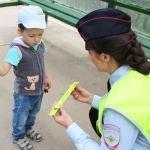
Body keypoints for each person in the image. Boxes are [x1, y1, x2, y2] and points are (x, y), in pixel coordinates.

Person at [52, 8, 150, 150]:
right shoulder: (143, 66)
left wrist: (69, 125)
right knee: (95, 112)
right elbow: (135, 105)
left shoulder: (116, 111)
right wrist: (91, 99)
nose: (89, 56)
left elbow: (121, 107)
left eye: (89, 52)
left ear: (105, 57)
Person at [0, 5, 51, 150]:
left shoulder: (40, 44)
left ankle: (28, 129)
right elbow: (3, 70)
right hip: (23, 93)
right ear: (20, 31)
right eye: (32, 35)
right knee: (20, 116)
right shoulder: (16, 50)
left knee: (34, 112)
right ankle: (18, 136)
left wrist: (46, 77)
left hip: (39, 90)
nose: (37, 39)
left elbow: (42, 62)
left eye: (40, 34)